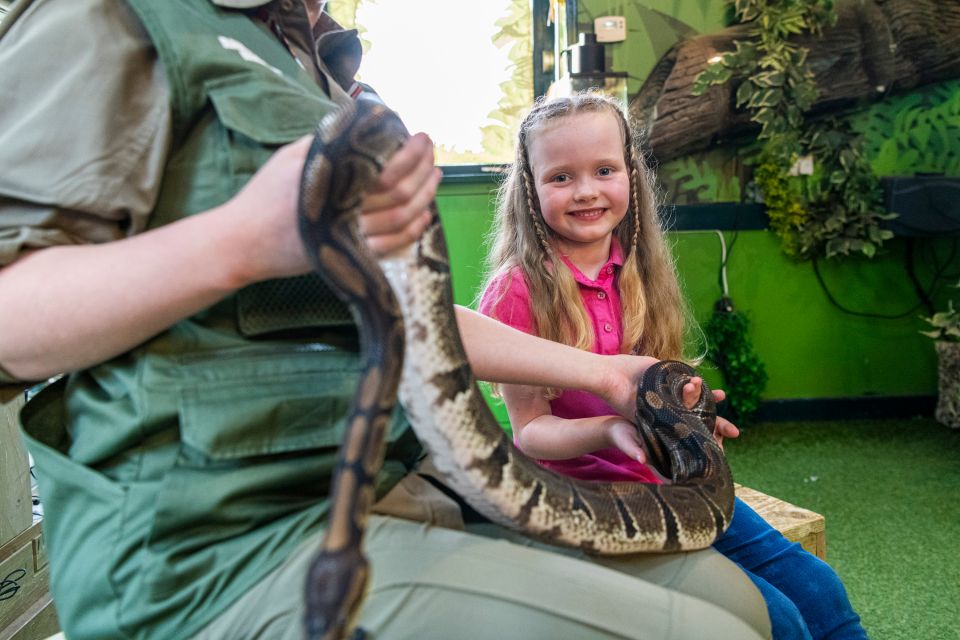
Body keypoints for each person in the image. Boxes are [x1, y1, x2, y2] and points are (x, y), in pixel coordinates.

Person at [0, 2, 771, 639]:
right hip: (213, 546)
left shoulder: (306, 55)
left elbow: (412, 315)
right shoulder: (103, 18)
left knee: (734, 599)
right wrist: (237, 242)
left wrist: (610, 375)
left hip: (397, 481)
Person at [478, 91, 869, 640]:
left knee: (817, 589)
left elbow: (662, 382)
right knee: (775, 619)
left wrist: (694, 417)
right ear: (530, 188)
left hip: (668, 478)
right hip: (581, 500)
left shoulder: (639, 272)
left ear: (631, 175)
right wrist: (614, 430)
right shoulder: (517, 293)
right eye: (561, 177)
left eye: (604, 169)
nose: (586, 190)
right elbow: (532, 433)